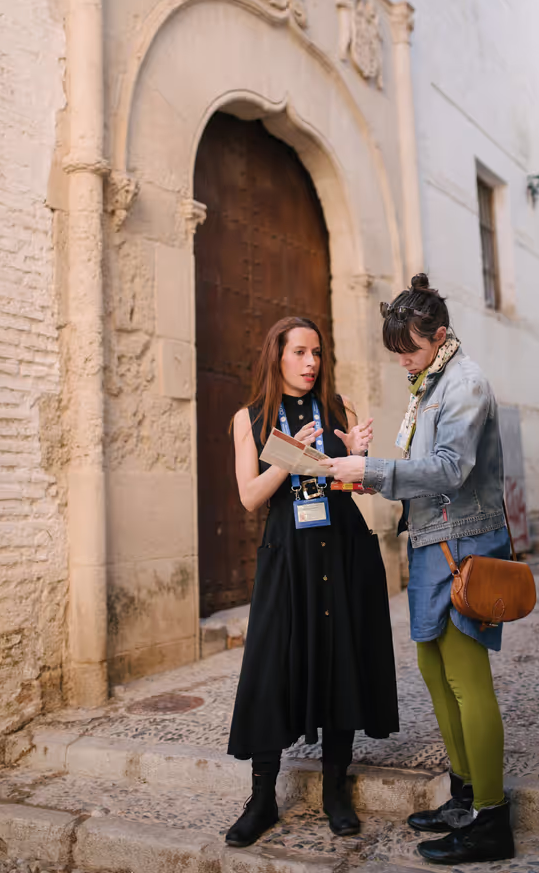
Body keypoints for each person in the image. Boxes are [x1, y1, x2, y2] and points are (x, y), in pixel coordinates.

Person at [323, 274, 515, 866]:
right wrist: (359, 471)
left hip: (464, 545)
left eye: (409, 349)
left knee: (466, 677)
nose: (402, 361)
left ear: (441, 336)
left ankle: (491, 818)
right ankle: (463, 795)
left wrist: (371, 468)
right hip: (432, 541)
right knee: (435, 670)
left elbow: (450, 468)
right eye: (397, 352)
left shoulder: (465, 383)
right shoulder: (429, 382)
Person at [225, 316, 399, 848]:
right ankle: (261, 799)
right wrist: (287, 457)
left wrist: (359, 458)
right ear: (276, 355)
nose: (310, 362)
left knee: (340, 656)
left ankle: (335, 791)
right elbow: (251, 498)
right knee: (272, 664)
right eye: (300, 352)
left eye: (317, 352)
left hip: (341, 550)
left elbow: (352, 488)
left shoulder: (337, 409)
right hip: (287, 558)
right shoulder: (249, 418)